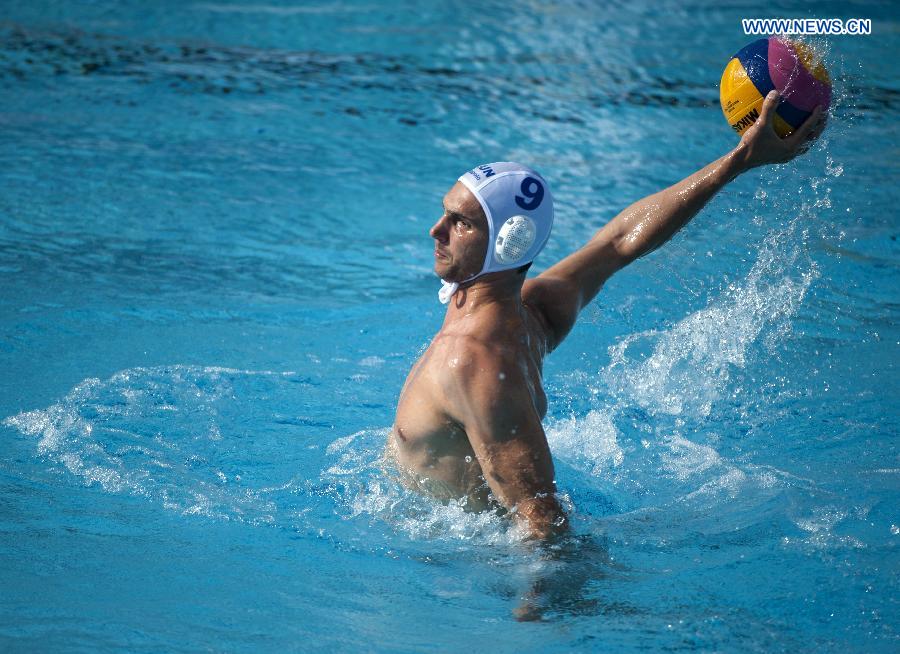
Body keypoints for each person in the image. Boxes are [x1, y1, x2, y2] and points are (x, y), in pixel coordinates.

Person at [388, 91, 824, 539]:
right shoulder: (534, 314)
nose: (435, 230)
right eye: (446, 214)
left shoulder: (472, 364)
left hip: (471, 570)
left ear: (509, 242)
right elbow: (616, 243)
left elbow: (539, 523)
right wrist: (739, 160)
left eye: (461, 223)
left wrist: (532, 608)